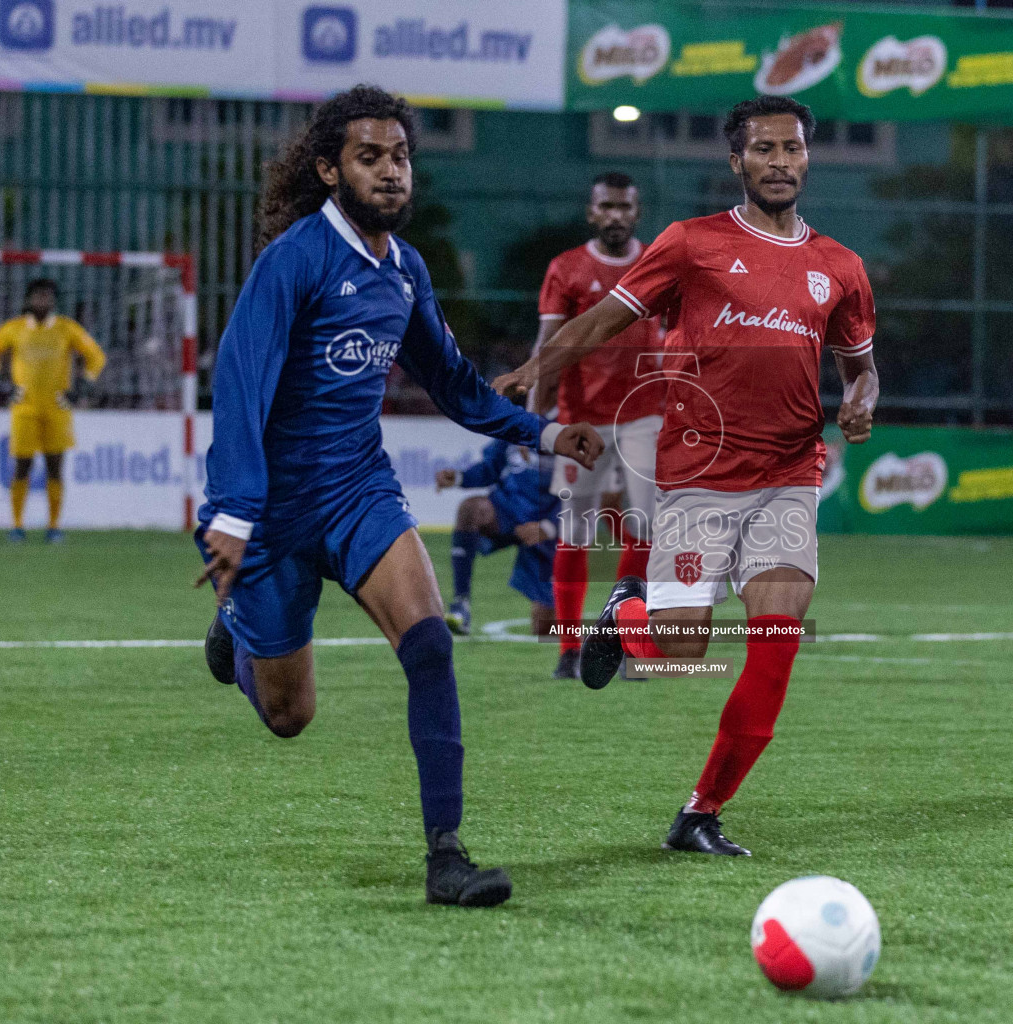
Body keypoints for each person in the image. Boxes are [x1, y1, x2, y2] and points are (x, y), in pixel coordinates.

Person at [194, 86, 603, 907]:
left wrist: (544, 433)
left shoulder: (405, 270)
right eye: (370, 158)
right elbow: (239, 387)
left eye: (401, 157)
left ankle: (445, 856)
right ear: (329, 169)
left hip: (358, 492)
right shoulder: (295, 260)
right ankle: (237, 643)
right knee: (288, 718)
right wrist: (233, 513)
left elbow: (451, 382)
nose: (390, 173)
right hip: (273, 510)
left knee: (430, 647)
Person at [493, 96, 878, 857]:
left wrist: (861, 403)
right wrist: (537, 368)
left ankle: (701, 812)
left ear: (808, 158)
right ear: (736, 162)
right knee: (680, 649)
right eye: (762, 149)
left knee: (777, 643)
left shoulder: (839, 267)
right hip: (699, 474)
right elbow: (605, 319)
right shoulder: (691, 244)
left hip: (789, 474)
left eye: (792, 149)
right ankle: (623, 618)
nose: (779, 161)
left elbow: (862, 372)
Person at [533, 172, 665, 680]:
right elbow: (549, 346)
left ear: (636, 211)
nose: (615, 215)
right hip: (580, 417)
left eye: (623, 207)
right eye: (606, 206)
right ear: (592, 212)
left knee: (646, 530)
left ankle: (628, 641)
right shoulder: (566, 268)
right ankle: (569, 648)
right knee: (575, 533)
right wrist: (538, 423)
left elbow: (678, 338)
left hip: (645, 414)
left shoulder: (656, 264)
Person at [0, 278, 105, 543]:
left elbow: (96, 356)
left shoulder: (66, 328)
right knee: (22, 465)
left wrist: (81, 384)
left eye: (47, 296)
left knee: (55, 466)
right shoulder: (14, 329)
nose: (42, 301)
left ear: (53, 300)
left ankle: (54, 526)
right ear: (28, 299)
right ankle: (17, 525)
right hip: (24, 408)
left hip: (57, 408)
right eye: (37, 296)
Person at [435, 434, 558, 645]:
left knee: (545, 630)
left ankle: (610, 641)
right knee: (471, 509)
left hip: (547, 523)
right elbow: (490, 467)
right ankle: (461, 603)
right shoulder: (517, 422)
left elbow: (582, 490)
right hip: (507, 510)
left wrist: (550, 525)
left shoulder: (569, 426)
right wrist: (459, 478)